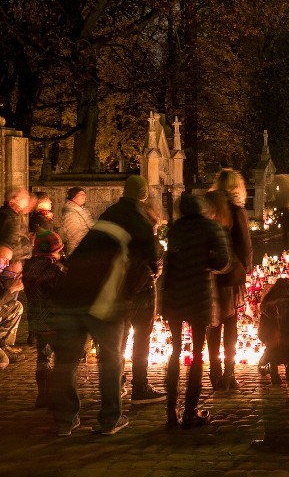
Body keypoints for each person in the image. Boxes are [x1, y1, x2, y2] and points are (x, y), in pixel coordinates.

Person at [49, 175, 159, 436]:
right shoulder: (139, 221)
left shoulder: (108, 213)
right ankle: (110, 418)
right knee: (111, 359)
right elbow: (152, 258)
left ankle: (64, 419)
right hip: (103, 297)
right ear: (143, 195)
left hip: (70, 290)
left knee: (66, 360)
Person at [161, 193, 231, 428]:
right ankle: (190, 412)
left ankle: (171, 410)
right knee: (198, 354)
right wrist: (205, 261)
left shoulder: (176, 229)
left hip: (174, 294)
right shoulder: (211, 228)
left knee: (175, 351)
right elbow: (222, 260)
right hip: (198, 294)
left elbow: (171, 259)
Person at [206, 169, 252, 391]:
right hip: (231, 272)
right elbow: (244, 243)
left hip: (208, 271)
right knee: (230, 322)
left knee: (212, 323)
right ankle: (229, 373)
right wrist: (246, 266)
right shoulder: (236, 209)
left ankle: (214, 371)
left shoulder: (208, 206)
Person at [120, 197, 167, 404]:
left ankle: (116, 382)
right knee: (141, 339)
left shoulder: (121, 232)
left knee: (119, 340)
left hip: (120, 291)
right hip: (142, 292)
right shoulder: (148, 235)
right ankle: (140, 386)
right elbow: (155, 261)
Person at [22, 230, 65, 406]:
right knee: (62, 357)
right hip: (53, 320)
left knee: (43, 357)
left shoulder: (29, 267)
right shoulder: (53, 270)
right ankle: (57, 395)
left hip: (36, 320)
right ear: (53, 251)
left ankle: (43, 396)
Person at [0, 187, 31, 365]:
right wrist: (12, 259)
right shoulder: (10, 216)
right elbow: (7, 243)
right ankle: (3, 345)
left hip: (9, 265)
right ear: (14, 200)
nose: (27, 201)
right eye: (24, 197)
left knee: (14, 303)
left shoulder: (10, 215)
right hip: (9, 267)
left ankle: (4, 344)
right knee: (11, 302)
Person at [60, 186, 94, 255]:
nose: (84, 196)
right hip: (77, 251)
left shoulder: (83, 210)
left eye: (84, 195)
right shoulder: (69, 213)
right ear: (73, 197)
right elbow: (78, 234)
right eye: (81, 195)